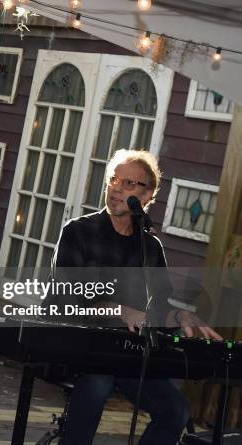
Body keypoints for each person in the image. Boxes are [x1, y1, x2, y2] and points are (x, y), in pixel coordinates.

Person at [49, 149, 221, 445]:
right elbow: (71, 297)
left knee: (176, 409)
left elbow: (158, 308)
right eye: (114, 179)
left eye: (129, 184)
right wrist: (120, 310)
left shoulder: (150, 247)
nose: (116, 188)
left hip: (126, 355)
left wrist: (178, 316)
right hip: (77, 346)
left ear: (148, 195)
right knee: (97, 385)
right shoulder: (78, 231)